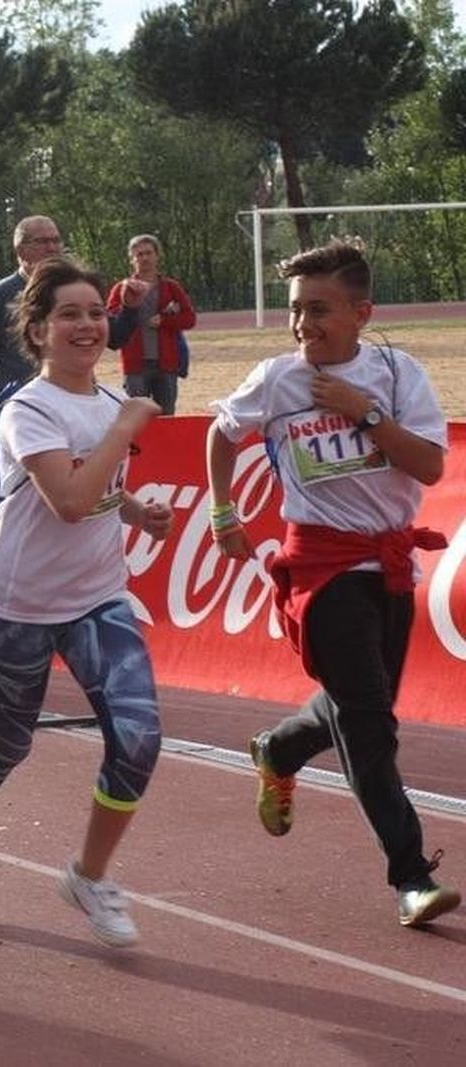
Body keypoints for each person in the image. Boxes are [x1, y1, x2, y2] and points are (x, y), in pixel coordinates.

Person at [207, 240, 459, 929]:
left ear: (360, 312)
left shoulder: (397, 374)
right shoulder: (275, 380)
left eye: (318, 310)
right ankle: (411, 875)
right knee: (371, 725)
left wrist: (361, 410)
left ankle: (280, 748)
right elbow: (222, 434)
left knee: (357, 706)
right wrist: (222, 509)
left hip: (391, 565)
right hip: (319, 569)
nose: (302, 326)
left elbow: (432, 467)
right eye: (295, 311)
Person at [0, 256, 170, 949]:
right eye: (70, 313)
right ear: (37, 330)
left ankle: (89, 874)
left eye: (96, 312)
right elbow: (65, 500)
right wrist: (124, 432)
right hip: (18, 604)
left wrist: (136, 510)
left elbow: (93, 495)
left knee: (139, 736)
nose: (88, 324)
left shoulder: (107, 403)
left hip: (98, 599)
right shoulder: (27, 408)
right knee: (8, 742)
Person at [0, 215, 63, 400]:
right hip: (23, 408)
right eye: (42, 241)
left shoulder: (71, 289)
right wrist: (1, 401)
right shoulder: (0, 297)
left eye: (56, 240)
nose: (52, 248)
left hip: (68, 404)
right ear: (21, 250)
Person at [107, 234, 196, 415]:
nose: (144, 258)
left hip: (166, 364)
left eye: (148, 253)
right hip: (135, 365)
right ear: (132, 259)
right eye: (139, 254)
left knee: (166, 416)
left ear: (157, 256)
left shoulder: (171, 288)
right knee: (136, 417)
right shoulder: (121, 289)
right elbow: (110, 322)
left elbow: (189, 319)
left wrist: (165, 321)